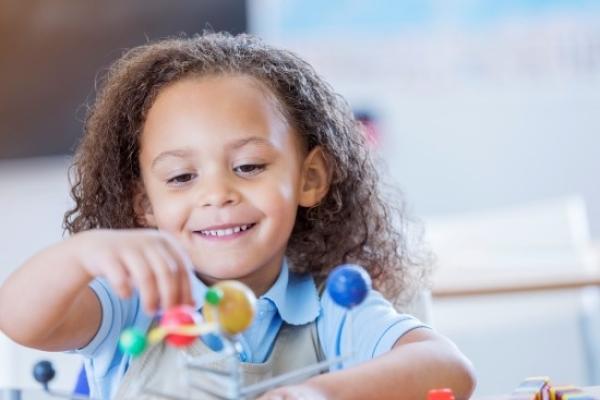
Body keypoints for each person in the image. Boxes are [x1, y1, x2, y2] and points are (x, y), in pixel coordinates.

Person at [0, 33, 475, 400]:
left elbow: (450, 369)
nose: (217, 195)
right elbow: (20, 319)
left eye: (248, 167)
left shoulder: (333, 306)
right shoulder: (134, 305)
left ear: (309, 178)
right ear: (144, 204)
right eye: (182, 177)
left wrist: (317, 392)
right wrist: (83, 254)